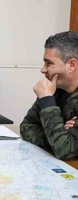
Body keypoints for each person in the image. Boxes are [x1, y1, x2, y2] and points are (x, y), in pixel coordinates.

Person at [20, 31, 78, 160]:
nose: (43, 70)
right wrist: (58, 134)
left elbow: (63, 149)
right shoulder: (54, 88)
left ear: (71, 65)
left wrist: (47, 99)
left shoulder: (48, 94)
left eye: (49, 63)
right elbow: (25, 126)